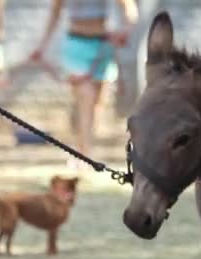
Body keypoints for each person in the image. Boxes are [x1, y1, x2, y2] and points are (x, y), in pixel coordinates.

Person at [29, 0, 138, 170]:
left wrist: (125, 30)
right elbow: (54, 15)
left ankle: (84, 146)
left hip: (103, 46)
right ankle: (85, 156)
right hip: (76, 45)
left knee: (96, 105)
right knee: (85, 98)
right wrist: (42, 46)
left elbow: (130, 10)